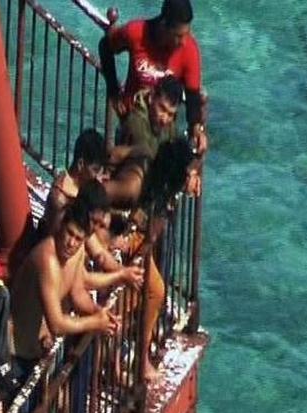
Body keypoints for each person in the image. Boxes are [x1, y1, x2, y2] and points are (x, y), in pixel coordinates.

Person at [10, 200, 121, 379]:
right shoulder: (47, 259)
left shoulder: (75, 253)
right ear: (60, 228)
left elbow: (77, 293)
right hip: (15, 353)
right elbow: (56, 324)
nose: (71, 243)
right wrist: (96, 323)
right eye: (69, 233)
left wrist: (100, 314)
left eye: (78, 238)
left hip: (37, 351)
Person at [99, 0, 208, 155]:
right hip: (130, 129)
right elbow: (105, 45)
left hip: (162, 134)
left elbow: (193, 97)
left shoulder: (189, 50)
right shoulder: (136, 32)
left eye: (186, 34)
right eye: (178, 36)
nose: (183, 42)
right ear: (164, 25)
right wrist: (113, 91)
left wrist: (197, 128)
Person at [136, 139, 197, 384]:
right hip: (135, 244)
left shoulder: (159, 184)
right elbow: (145, 233)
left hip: (140, 241)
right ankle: (141, 359)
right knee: (156, 291)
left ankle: (144, 342)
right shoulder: (157, 195)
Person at [105, 76, 188, 205]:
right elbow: (149, 155)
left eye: (170, 114)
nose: (164, 118)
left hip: (147, 188)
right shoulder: (136, 121)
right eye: (162, 108)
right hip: (126, 187)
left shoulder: (168, 126)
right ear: (151, 98)